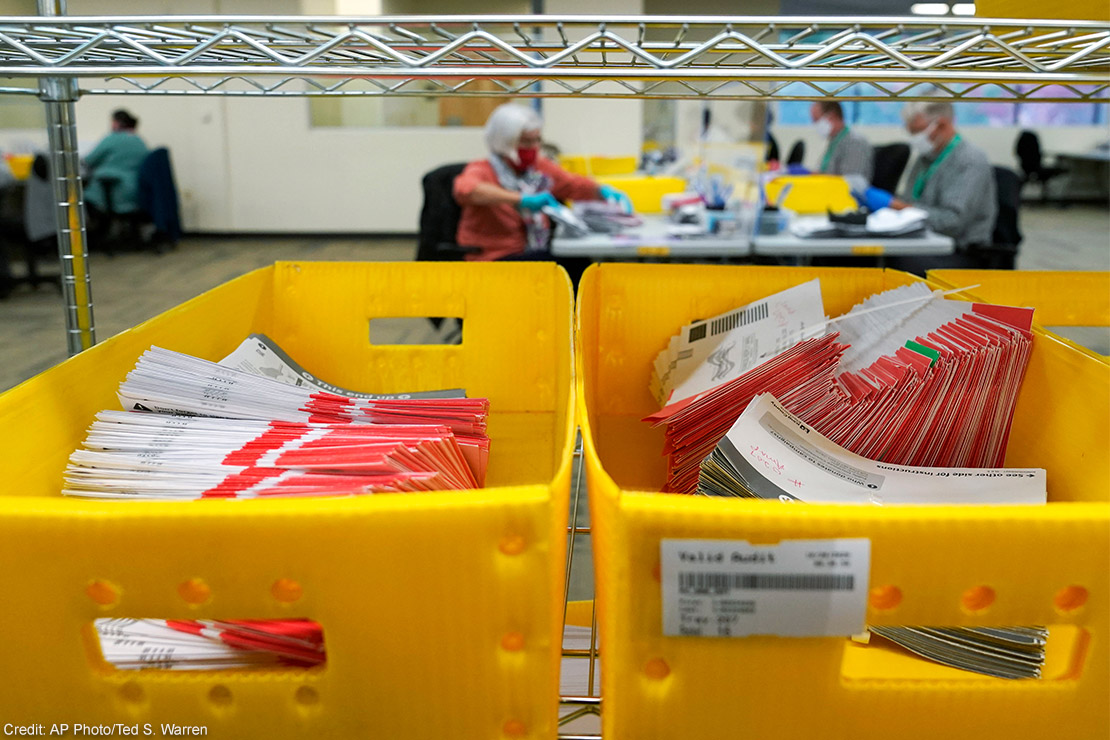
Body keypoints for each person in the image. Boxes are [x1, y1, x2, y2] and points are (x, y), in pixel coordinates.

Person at [453, 103, 630, 269]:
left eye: (537, 140)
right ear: (504, 141)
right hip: (493, 259)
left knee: (579, 262)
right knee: (574, 266)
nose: (533, 147)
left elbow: (571, 184)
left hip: (529, 251)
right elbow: (467, 190)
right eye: (525, 142)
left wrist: (602, 191)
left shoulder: (538, 168)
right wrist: (521, 199)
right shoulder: (482, 169)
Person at [887, 101, 996, 251]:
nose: (913, 138)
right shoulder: (926, 157)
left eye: (917, 131)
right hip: (923, 239)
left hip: (961, 249)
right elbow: (909, 198)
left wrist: (905, 209)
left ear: (942, 125)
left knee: (895, 263)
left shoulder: (969, 160)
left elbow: (952, 222)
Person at [83, 109, 149, 221]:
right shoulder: (139, 140)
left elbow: (89, 160)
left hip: (114, 191)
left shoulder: (113, 138)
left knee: (81, 195)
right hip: (136, 190)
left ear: (116, 123)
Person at [810, 100, 873, 181]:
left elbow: (852, 181)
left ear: (831, 116)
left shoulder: (855, 142)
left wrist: (820, 177)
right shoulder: (835, 141)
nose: (815, 124)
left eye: (816, 120)